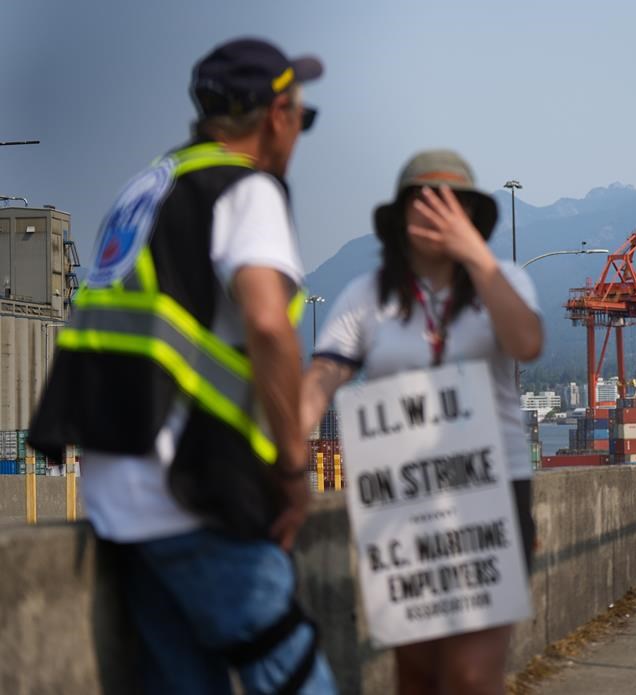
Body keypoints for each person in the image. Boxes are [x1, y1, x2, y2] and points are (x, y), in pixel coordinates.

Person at [28, 38, 336, 693]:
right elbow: (265, 324)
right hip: (195, 496)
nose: (300, 132)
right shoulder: (246, 189)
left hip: (119, 501)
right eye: (301, 115)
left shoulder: (148, 185)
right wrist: (291, 469)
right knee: (296, 673)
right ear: (276, 115)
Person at [301, 149, 543, 694]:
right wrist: (289, 440)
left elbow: (526, 341)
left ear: (471, 217)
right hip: (402, 498)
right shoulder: (368, 296)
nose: (435, 215)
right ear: (400, 218)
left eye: (450, 205)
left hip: (492, 492)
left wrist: (476, 260)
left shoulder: (503, 281)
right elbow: (321, 377)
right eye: (422, 203)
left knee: (470, 675)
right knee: (415, 674)